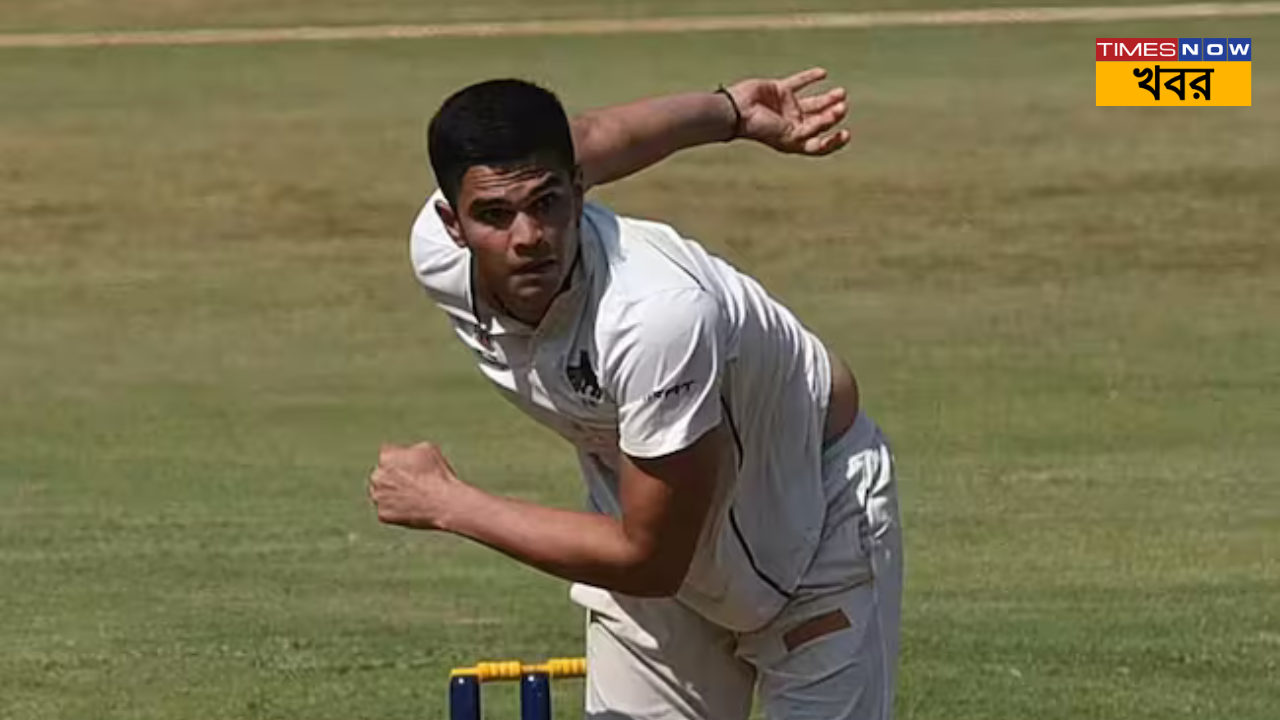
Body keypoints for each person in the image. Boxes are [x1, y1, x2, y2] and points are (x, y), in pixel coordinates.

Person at [368, 69, 903, 720]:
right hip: (651, 533)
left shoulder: (655, 316)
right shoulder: (439, 258)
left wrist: (449, 502)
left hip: (814, 524)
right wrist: (729, 110)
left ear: (577, 189)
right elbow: (596, 134)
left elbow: (649, 558)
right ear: (452, 224)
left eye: (546, 203)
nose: (528, 236)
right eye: (495, 216)